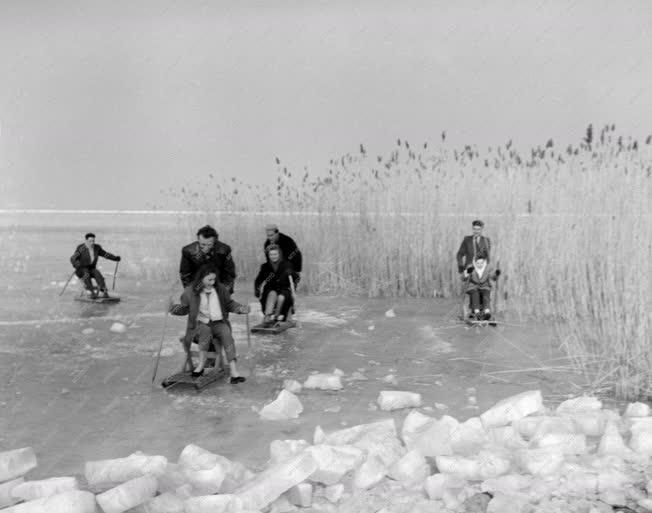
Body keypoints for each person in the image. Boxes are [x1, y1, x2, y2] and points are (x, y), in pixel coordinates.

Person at [169, 264, 250, 382]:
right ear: (201, 278)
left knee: (226, 333)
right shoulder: (191, 291)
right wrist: (172, 308)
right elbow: (184, 308)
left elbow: (229, 304)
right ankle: (201, 366)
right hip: (199, 325)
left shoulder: (220, 289)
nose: (212, 282)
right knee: (205, 330)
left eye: (214, 279)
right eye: (209, 279)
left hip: (217, 323)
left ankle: (234, 373)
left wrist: (241, 309)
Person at [180, 225, 236, 292]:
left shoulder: (224, 250)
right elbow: (185, 274)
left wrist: (226, 292)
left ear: (215, 241)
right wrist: (190, 293)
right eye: (203, 245)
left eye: (209, 245)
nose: (206, 248)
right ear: (198, 240)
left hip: (218, 285)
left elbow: (229, 273)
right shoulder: (188, 251)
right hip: (198, 286)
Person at [254, 244, 295, 326]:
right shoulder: (265, 267)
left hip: (284, 289)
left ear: (279, 254)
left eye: (275, 254)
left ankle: (277, 317)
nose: (273, 256)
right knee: (272, 294)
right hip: (270, 289)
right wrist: (257, 290)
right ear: (268, 255)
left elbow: (295, 278)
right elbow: (258, 280)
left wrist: (291, 273)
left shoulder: (287, 265)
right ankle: (267, 316)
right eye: (271, 254)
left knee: (281, 297)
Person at [70, 233, 121, 299]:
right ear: (86, 241)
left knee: (97, 273)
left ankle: (104, 291)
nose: (92, 243)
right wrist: (77, 265)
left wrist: (115, 258)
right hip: (81, 269)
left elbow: (105, 254)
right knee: (86, 273)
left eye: (93, 241)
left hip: (91, 269)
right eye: (90, 241)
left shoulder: (97, 247)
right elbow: (73, 258)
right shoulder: (81, 248)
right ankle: (91, 292)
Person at [463, 254, 501, 320]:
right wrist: (467, 272)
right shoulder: (471, 267)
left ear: (484, 262)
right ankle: (477, 313)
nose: (480, 265)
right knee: (475, 294)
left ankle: (487, 312)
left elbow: (493, 277)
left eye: (481, 263)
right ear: (475, 262)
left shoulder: (488, 268)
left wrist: (496, 274)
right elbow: (463, 278)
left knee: (486, 293)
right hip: (473, 286)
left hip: (484, 286)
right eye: (478, 263)